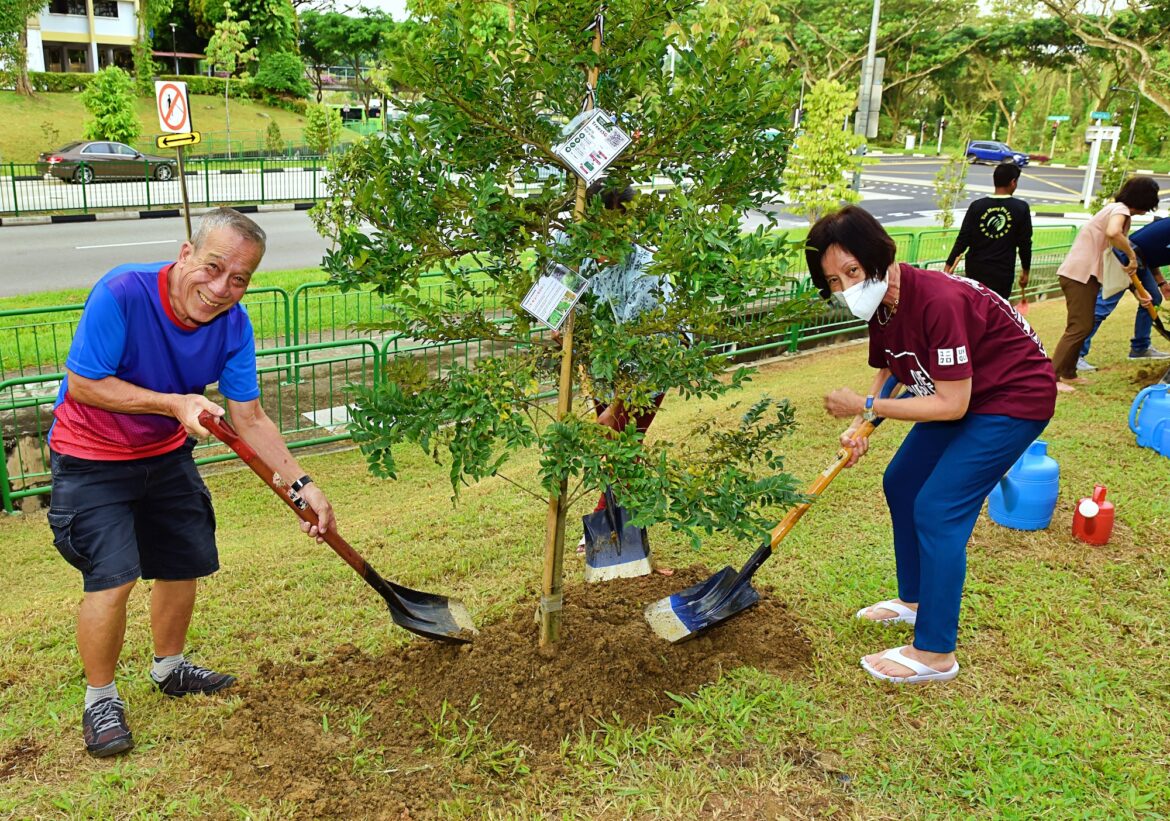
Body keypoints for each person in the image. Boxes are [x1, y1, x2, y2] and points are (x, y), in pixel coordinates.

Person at [47, 208, 336, 758]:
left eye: (239, 278)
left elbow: (248, 416)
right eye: (213, 266)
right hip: (90, 456)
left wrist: (303, 484)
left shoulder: (235, 325)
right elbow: (84, 384)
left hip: (164, 455)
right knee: (113, 577)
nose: (221, 287)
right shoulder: (123, 293)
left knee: (184, 560)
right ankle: (100, 699)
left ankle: (170, 668)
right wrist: (174, 402)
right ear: (185, 254)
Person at [808, 205, 1056, 684]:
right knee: (902, 482)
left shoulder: (938, 300)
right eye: (834, 282)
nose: (846, 288)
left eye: (852, 271)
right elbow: (893, 367)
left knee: (939, 507)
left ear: (880, 255)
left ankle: (936, 651)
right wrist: (863, 423)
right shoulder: (885, 303)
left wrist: (865, 405)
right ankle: (914, 599)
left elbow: (951, 405)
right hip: (961, 392)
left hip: (1011, 398)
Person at [566, 183, 673, 552]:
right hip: (602, 376)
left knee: (624, 446)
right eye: (593, 226)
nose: (602, 236)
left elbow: (641, 352)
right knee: (615, 450)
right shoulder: (586, 265)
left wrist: (616, 408)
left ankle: (605, 531)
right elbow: (577, 312)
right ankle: (617, 530)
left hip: (643, 378)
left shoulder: (645, 272)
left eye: (612, 225)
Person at [1050, 176, 1161, 392]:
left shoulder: (1115, 209)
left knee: (1085, 324)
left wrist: (1139, 291)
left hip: (1086, 276)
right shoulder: (1121, 211)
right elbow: (1113, 233)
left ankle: (1068, 373)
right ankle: (1051, 379)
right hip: (1078, 275)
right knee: (1079, 326)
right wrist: (1132, 255)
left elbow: (1114, 260)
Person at [1077, 215, 1170, 371]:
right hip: (1124, 257)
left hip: (1141, 260)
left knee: (1152, 298)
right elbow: (1141, 248)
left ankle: (1140, 348)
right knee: (1103, 306)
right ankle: (1075, 355)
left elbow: (1152, 252)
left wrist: (1161, 283)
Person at [944, 163, 1033, 300]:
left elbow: (963, 239)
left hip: (975, 271)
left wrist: (948, 266)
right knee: (997, 314)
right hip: (1002, 273)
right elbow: (1024, 243)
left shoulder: (977, 206)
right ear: (1013, 182)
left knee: (975, 309)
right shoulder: (1021, 208)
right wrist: (1025, 271)